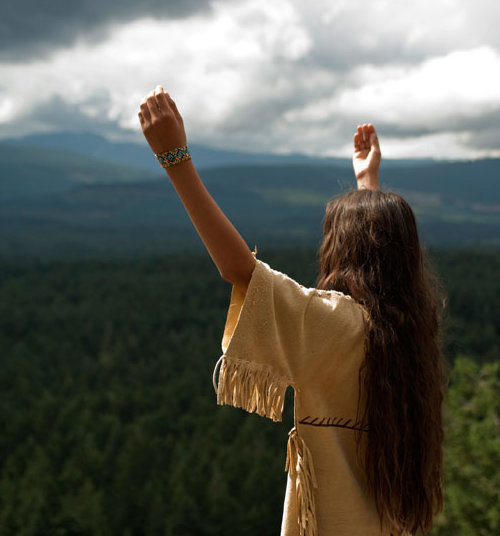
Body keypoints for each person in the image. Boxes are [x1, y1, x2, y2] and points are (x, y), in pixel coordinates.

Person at [137, 86, 446, 536]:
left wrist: (175, 158)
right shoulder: (413, 334)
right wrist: (368, 186)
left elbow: (240, 270)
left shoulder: (333, 325)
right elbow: (382, 266)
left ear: (340, 250)